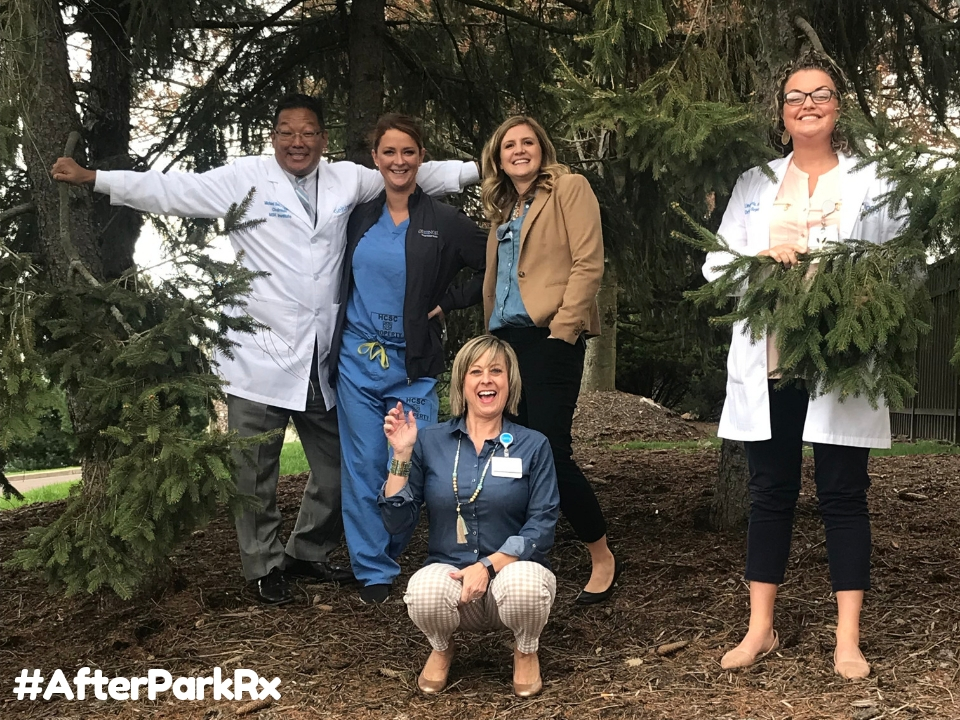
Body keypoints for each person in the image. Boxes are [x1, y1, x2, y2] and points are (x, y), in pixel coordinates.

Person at [51, 94, 480, 605]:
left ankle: (307, 550)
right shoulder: (244, 178)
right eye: (286, 132)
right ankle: (263, 564)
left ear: (323, 138)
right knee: (254, 473)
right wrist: (94, 178)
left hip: (322, 359)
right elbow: (170, 190)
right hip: (257, 356)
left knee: (339, 469)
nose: (298, 142)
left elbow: (416, 173)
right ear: (273, 137)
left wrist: (486, 166)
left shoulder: (349, 178)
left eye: (308, 132)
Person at [703, 55, 906, 678]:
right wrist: (765, 254)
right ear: (782, 113)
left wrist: (858, 287)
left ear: (838, 107)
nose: (808, 104)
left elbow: (903, 263)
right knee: (771, 494)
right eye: (796, 96)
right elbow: (716, 266)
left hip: (842, 361)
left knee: (844, 494)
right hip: (773, 359)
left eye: (821, 94)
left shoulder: (871, 181)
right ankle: (759, 628)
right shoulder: (753, 183)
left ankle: (848, 639)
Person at [333, 114, 487, 604]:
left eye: (409, 152)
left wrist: (453, 299)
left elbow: (496, 261)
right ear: (375, 159)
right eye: (389, 152)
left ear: (421, 158)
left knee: (407, 462)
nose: (399, 161)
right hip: (358, 364)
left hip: (414, 367)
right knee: (364, 463)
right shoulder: (359, 216)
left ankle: (394, 548)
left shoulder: (442, 221)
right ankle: (374, 570)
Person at [479, 116, 620, 604]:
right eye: (508, 146)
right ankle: (517, 556)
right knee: (508, 451)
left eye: (527, 142)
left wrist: (563, 331)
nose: (519, 150)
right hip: (506, 343)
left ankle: (600, 554)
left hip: (550, 337)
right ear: (498, 158)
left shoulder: (569, 188)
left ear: (543, 147)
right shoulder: (504, 208)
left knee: (550, 453)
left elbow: (588, 261)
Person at [380, 335, 559, 697]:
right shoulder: (430, 441)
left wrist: (490, 565)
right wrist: (400, 454)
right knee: (424, 591)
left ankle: (525, 650)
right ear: (463, 382)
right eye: (476, 371)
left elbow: (543, 523)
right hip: (453, 580)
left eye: (496, 370)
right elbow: (396, 522)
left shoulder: (533, 444)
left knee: (526, 585)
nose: (486, 379)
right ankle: (442, 648)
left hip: (511, 575)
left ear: (510, 382)